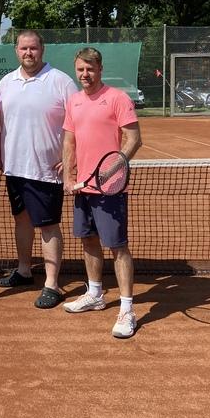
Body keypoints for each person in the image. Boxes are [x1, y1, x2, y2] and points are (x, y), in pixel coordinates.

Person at [0, 30, 78, 308]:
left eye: (33, 48)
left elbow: (79, 122)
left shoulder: (61, 82)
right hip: (15, 168)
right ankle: (24, 270)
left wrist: (72, 158)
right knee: (22, 220)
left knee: (49, 226)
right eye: (23, 49)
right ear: (16, 51)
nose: (28, 53)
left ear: (42, 50)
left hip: (47, 170)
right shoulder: (5, 83)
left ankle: (52, 284)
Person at [62, 47, 142, 338]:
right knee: (88, 240)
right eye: (81, 69)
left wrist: (111, 171)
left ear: (100, 69)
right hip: (83, 187)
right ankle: (95, 293)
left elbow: (134, 139)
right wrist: (68, 175)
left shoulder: (117, 98)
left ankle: (127, 309)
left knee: (118, 246)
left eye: (91, 69)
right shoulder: (73, 102)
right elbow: (69, 141)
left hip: (110, 189)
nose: (86, 74)